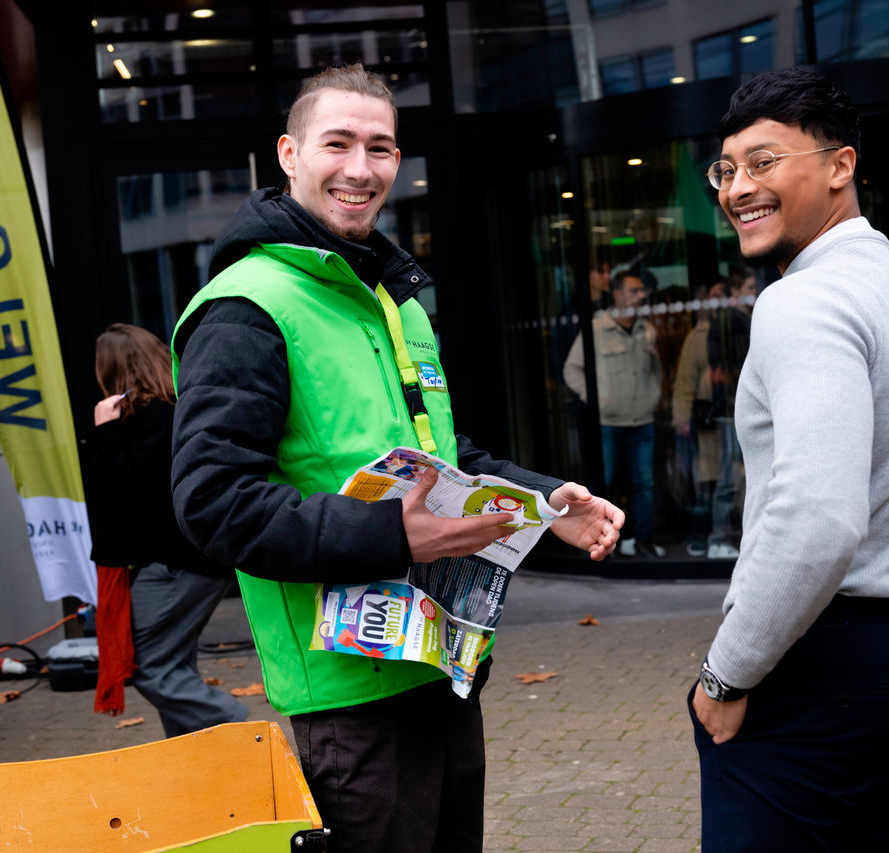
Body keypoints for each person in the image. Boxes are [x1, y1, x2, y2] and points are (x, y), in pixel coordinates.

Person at [169, 63, 623, 853]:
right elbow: (214, 501)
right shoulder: (249, 306)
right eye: (337, 143)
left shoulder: (392, 299)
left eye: (379, 147)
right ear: (289, 154)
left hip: (440, 662)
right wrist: (394, 536)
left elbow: (446, 457)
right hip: (348, 693)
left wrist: (549, 503)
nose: (360, 168)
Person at [689, 68, 889, 851]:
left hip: (809, 662)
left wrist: (727, 673)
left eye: (764, 162)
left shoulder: (802, 301)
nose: (736, 188)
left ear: (840, 166)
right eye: (726, 171)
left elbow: (819, 517)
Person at [81, 323, 249, 737]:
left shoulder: (149, 418)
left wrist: (104, 431)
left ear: (111, 370)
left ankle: (244, 730)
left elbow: (127, 489)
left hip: (176, 565)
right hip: (191, 560)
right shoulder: (176, 412)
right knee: (173, 665)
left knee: (151, 667)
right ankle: (198, 759)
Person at [564, 267, 665, 558]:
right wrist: (594, 398)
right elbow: (572, 368)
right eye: (634, 290)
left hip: (642, 421)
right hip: (608, 421)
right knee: (601, 485)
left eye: (642, 291)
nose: (641, 296)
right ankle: (597, 543)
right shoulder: (595, 329)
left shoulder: (647, 329)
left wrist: (652, 397)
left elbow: (655, 370)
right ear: (618, 294)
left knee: (643, 484)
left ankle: (643, 542)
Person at [705, 270, 755, 559]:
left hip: (737, 405)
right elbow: (721, 369)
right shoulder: (730, 321)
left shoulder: (744, 318)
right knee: (728, 476)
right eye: (749, 287)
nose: (755, 291)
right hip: (731, 407)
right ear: (736, 293)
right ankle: (718, 539)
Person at [672, 282, 719, 556]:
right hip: (706, 420)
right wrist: (681, 417)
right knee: (706, 482)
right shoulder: (697, 336)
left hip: (734, 416)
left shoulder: (743, 324)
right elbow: (685, 382)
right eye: (714, 296)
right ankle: (700, 534)